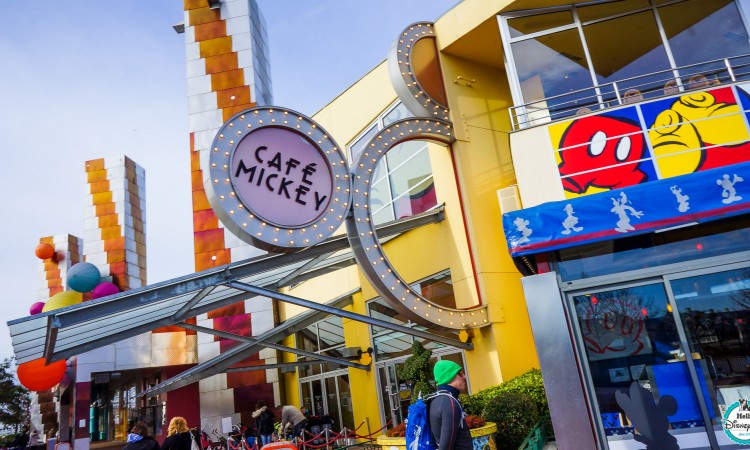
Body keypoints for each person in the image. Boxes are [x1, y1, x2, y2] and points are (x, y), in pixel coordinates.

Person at [429, 360, 471, 450]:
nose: (464, 377)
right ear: (449, 377)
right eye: (460, 374)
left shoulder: (437, 398)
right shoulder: (449, 403)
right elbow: (445, 446)